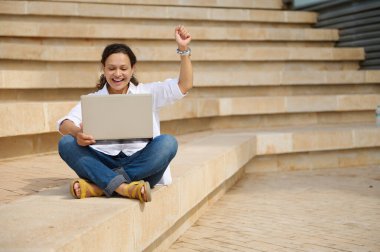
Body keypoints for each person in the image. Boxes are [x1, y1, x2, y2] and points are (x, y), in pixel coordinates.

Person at [57, 25, 192, 203]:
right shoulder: (93, 99)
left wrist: (183, 50)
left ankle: (100, 185)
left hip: (142, 166)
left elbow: (184, 85)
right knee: (66, 142)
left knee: (168, 143)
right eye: (111, 68)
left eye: (123, 68)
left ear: (132, 69)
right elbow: (64, 124)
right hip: (106, 162)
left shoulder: (148, 93)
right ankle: (124, 188)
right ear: (103, 69)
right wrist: (77, 133)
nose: (118, 74)